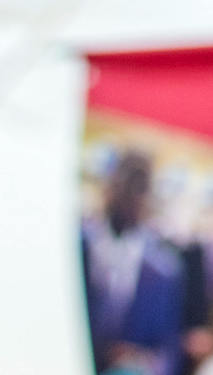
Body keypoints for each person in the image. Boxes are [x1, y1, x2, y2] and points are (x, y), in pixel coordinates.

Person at [82, 150, 189, 375]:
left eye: (139, 187)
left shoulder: (164, 271)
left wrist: (140, 360)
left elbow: (168, 351)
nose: (130, 195)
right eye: (125, 182)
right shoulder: (79, 246)